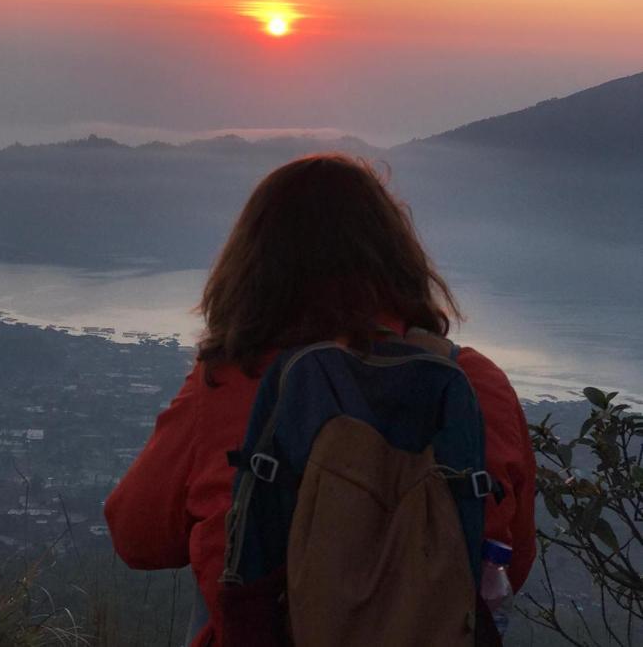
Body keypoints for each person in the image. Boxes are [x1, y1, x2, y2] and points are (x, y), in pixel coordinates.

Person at [105, 154, 536, 646]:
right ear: (395, 256)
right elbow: (511, 564)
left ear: (254, 264)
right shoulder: (475, 383)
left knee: (225, 585)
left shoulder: (233, 378)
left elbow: (136, 537)